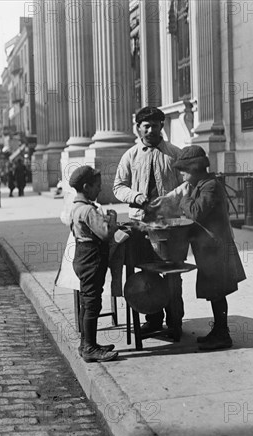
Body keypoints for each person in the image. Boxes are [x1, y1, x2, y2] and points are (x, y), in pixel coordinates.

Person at [152, 145, 247, 350]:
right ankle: (218, 330)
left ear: (194, 168)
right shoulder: (201, 185)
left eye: (184, 170)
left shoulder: (210, 186)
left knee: (218, 292)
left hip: (216, 249)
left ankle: (222, 335)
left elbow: (195, 212)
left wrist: (185, 197)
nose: (181, 174)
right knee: (214, 292)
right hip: (208, 249)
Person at [113, 106, 184, 340]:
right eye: (147, 126)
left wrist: (171, 198)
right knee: (146, 273)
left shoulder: (175, 153)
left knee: (172, 274)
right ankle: (152, 319)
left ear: (162, 127)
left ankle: (174, 323)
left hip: (169, 225)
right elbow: (118, 186)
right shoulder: (130, 156)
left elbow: (188, 184)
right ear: (138, 128)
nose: (151, 130)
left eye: (155, 125)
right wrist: (135, 196)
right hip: (141, 226)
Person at [69, 166, 119, 363]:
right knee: (92, 303)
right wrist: (112, 220)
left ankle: (86, 344)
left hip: (83, 257)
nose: (99, 190)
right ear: (86, 187)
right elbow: (106, 233)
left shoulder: (77, 207)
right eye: (97, 186)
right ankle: (90, 347)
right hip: (92, 259)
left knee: (87, 301)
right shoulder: (88, 210)